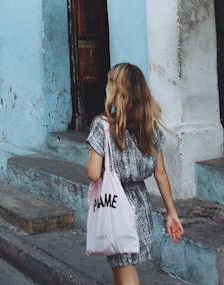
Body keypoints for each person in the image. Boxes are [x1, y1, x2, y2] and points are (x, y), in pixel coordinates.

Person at [86, 63, 184, 285]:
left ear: (117, 92)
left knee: (124, 268)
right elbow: (160, 173)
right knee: (122, 266)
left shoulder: (103, 127)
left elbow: (93, 173)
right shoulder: (150, 128)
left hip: (116, 205)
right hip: (140, 203)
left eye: (110, 83)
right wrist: (172, 212)